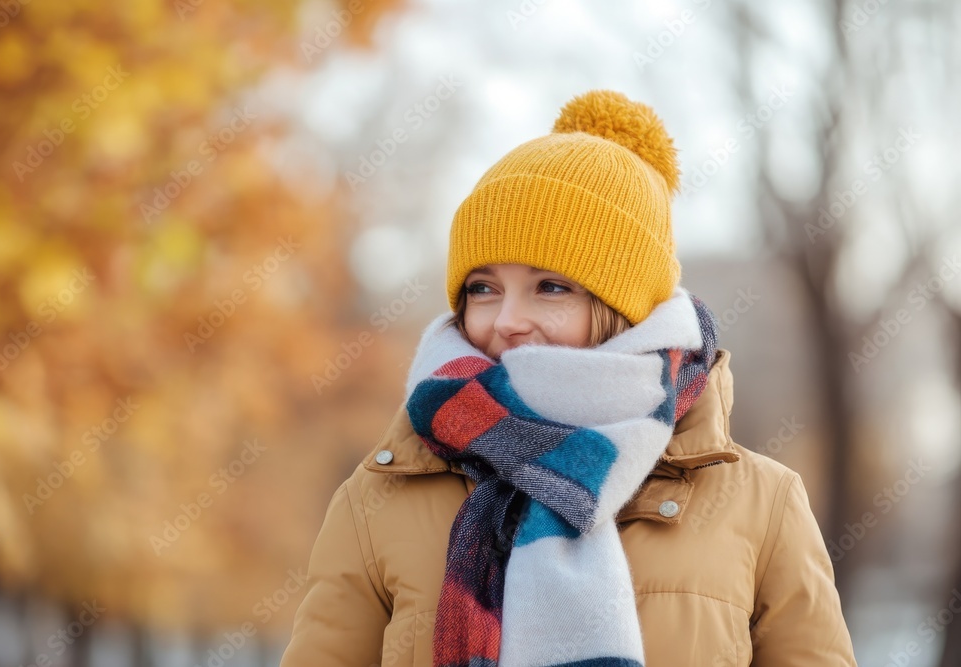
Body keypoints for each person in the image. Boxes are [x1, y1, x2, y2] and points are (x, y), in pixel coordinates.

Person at [279, 90, 858, 666]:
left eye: (550, 287)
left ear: (623, 309)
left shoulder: (761, 506)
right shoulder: (376, 501)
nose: (506, 320)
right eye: (483, 288)